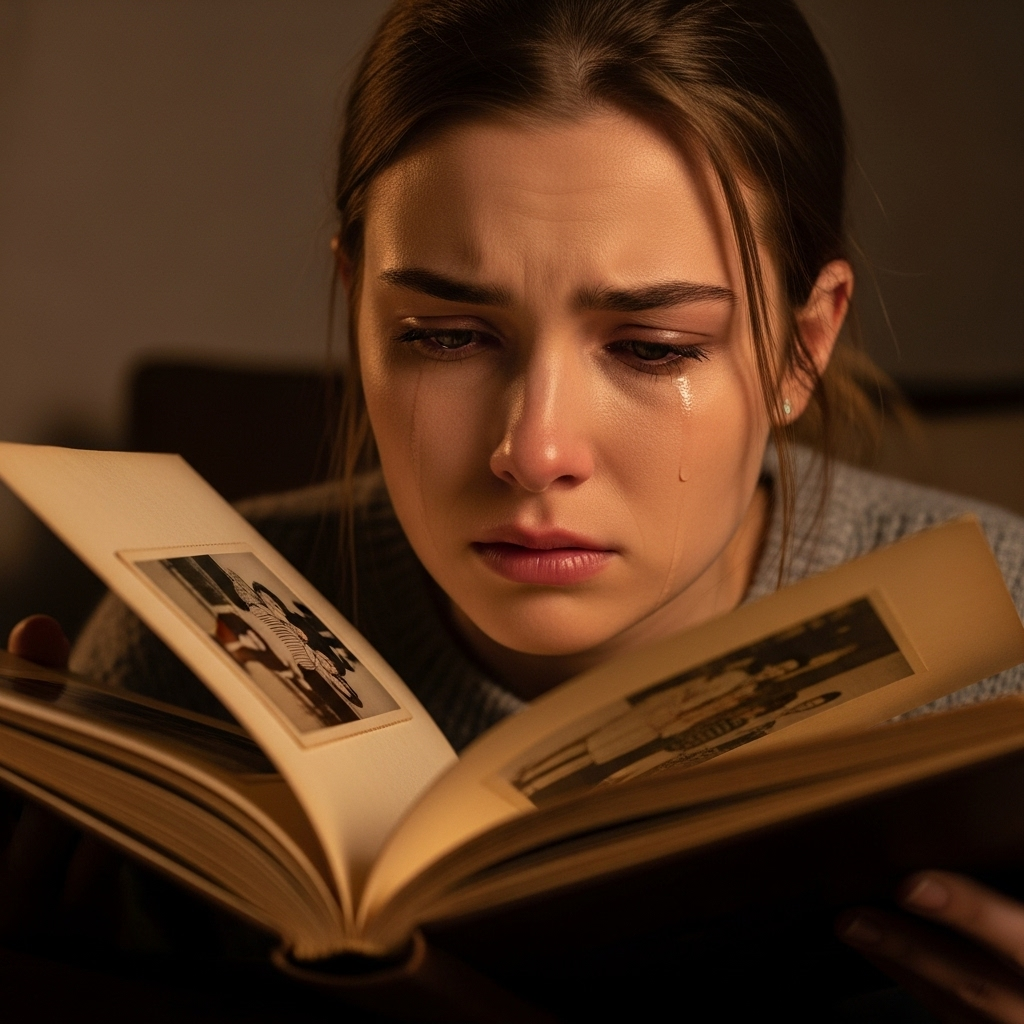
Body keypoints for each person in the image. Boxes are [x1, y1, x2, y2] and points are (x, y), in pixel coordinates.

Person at [3, 0, 1023, 1019]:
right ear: (357, 306)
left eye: (653, 348)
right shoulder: (178, 651)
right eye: (445, 336)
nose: (534, 452)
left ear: (803, 345)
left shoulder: (1008, 644)